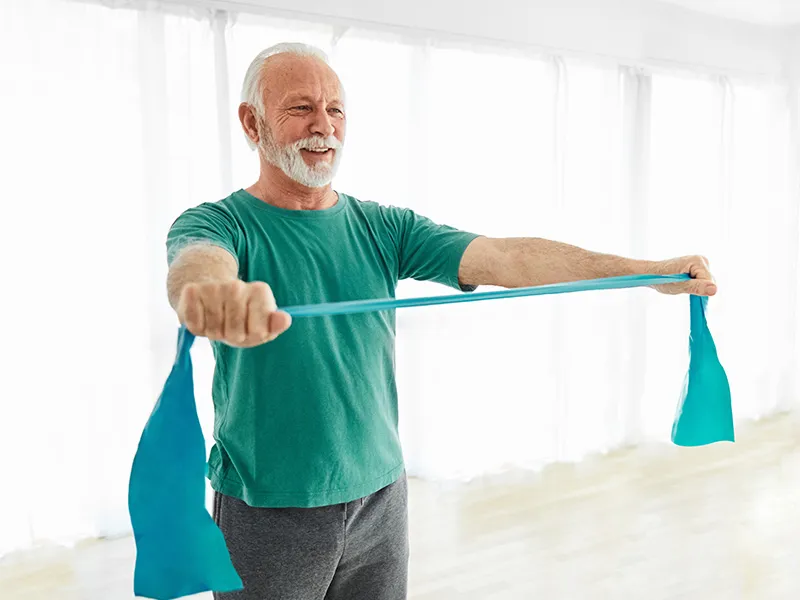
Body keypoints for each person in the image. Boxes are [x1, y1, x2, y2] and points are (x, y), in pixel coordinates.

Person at [165, 42, 716, 600]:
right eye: (301, 108)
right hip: (270, 508)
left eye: (335, 110)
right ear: (252, 122)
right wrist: (215, 295)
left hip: (381, 495)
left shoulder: (383, 227)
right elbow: (197, 266)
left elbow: (507, 257)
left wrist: (648, 272)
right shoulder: (221, 222)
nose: (324, 126)